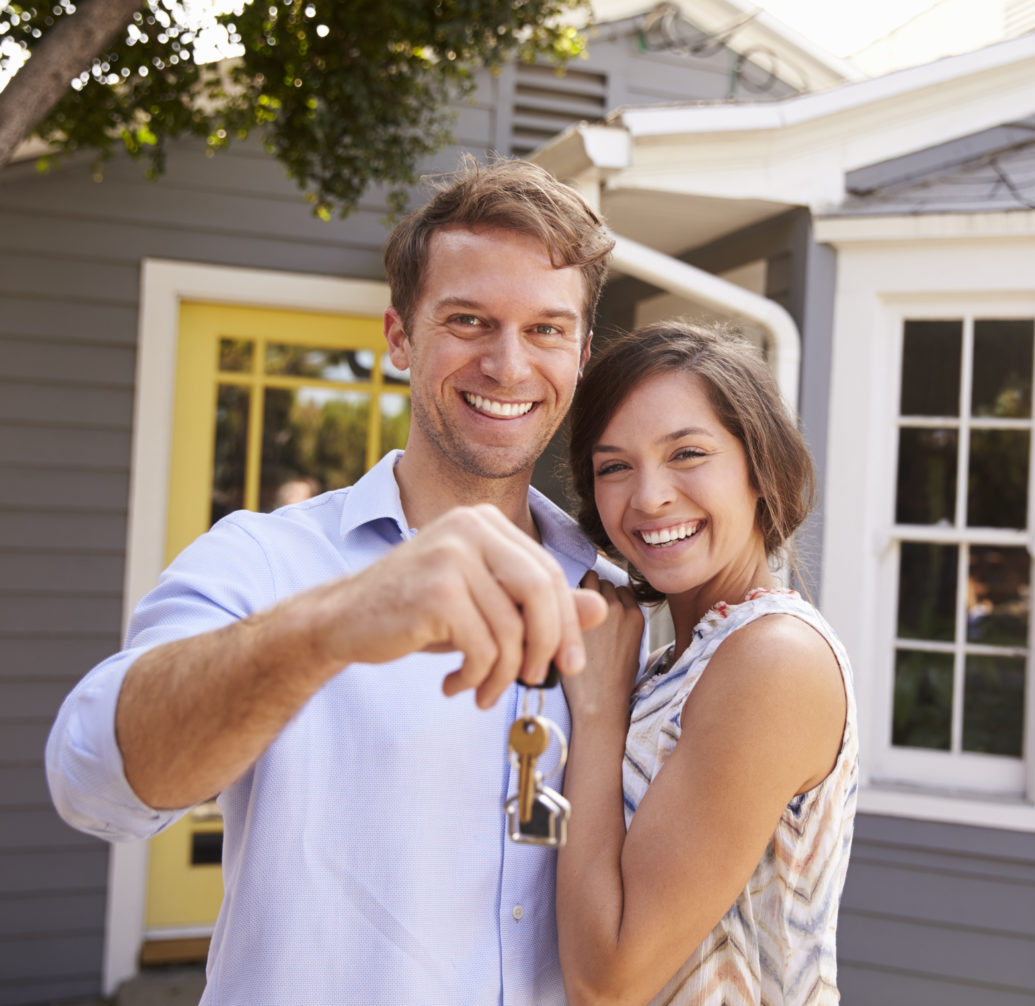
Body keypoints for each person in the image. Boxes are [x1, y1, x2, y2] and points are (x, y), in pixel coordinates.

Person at [45, 158, 631, 1004]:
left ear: (579, 352)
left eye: (545, 330)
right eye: (469, 321)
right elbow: (91, 782)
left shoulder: (618, 599)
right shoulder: (268, 561)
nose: (508, 366)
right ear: (399, 337)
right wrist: (332, 624)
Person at [558, 322, 859, 1005]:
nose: (649, 497)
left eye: (687, 453)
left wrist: (600, 712)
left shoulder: (774, 661)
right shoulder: (676, 661)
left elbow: (609, 982)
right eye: (614, 466)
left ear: (760, 468)